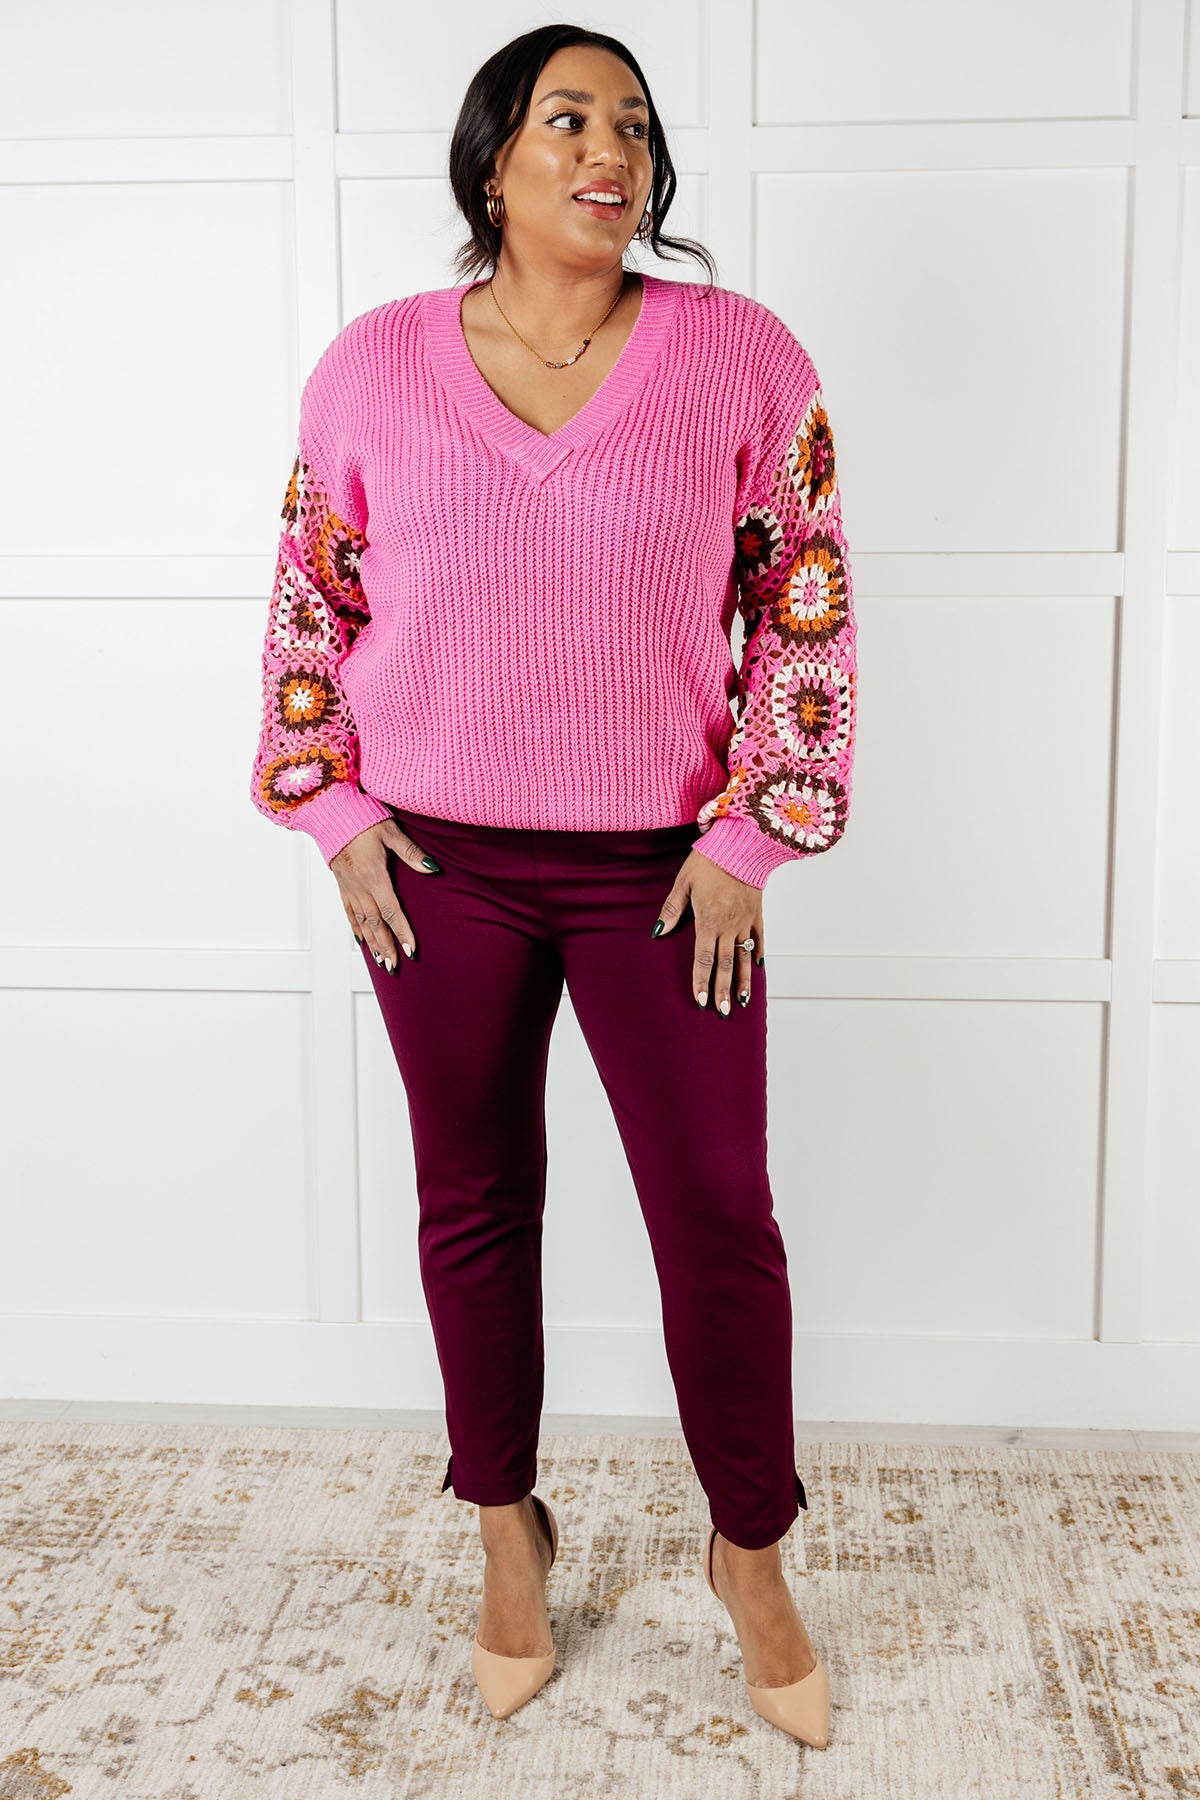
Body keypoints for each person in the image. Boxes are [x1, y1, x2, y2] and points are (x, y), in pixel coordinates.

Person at [250, 22, 856, 1747]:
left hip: (668, 876)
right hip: (434, 865)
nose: (615, 149)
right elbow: (312, 598)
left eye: (639, 125)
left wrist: (754, 833)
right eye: (569, 117)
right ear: (494, 159)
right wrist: (333, 804)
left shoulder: (742, 357)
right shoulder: (371, 366)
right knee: (473, 1198)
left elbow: (802, 602)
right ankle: (505, 1529)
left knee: (716, 1219)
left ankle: (751, 1549)